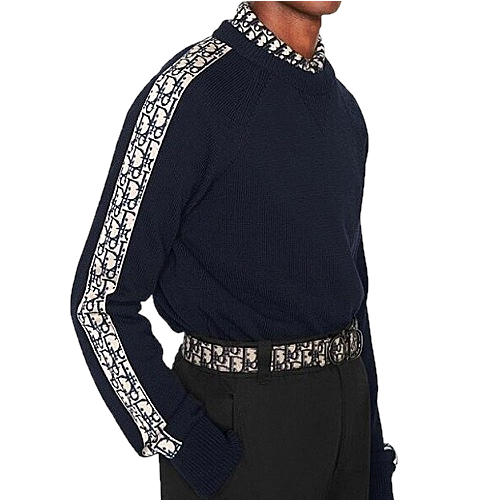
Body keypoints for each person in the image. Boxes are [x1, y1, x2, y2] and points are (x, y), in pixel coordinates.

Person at [70, 1, 398, 498]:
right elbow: (98, 302)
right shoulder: (186, 94)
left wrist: (373, 456)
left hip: (347, 423)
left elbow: (351, 293)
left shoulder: (344, 110)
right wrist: (186, 443)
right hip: (241, 431)